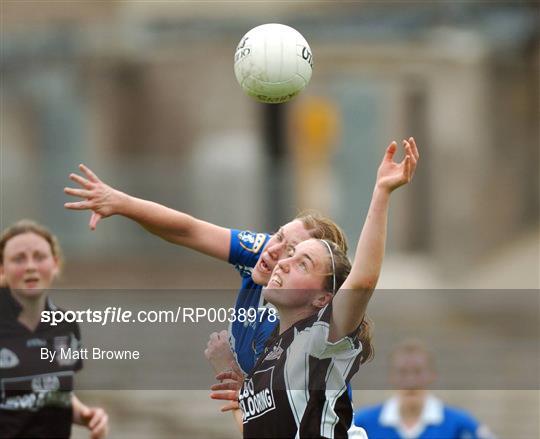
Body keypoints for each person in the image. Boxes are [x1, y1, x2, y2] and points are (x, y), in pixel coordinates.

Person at [210, 138, 419, 438]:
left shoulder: (320, 337)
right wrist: (231, 376)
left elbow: (362, 282)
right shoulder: (265, 356)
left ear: (323, 298)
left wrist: (382, 192)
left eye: (303, 264)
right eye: (290, 257)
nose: (284, 263)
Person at [64, 166, 348, 374]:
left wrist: (228, 370)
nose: (274, 250)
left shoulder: (306, 329)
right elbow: (187, 230)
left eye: (292, 253)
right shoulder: (263, 253)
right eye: (278, 235)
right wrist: (122, 204)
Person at [0, 220, 109, 439]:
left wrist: (86, 415)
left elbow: (56, 394)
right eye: (19, 259)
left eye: (39, 257)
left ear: (55, 263)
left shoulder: (66, 325)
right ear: (2, 269)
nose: (31, 266)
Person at [354, 339, 495, 439]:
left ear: (432, 375)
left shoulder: (460, 424)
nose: (411, 381)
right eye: (403, 372)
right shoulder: (363, 424)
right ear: (391, 376)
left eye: (418, 372)